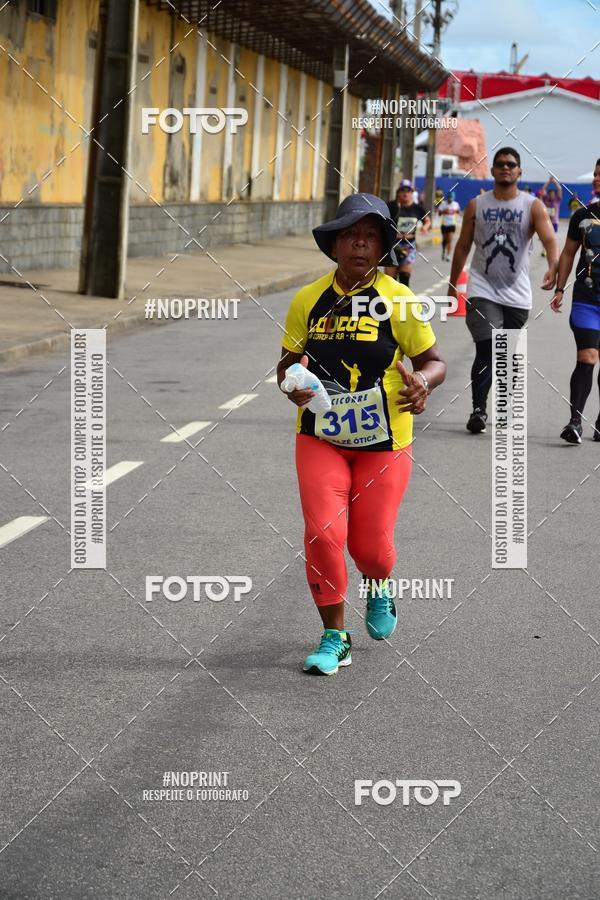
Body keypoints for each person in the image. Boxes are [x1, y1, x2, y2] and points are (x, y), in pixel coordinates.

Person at [277, 193, 446, 675]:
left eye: (371, 236)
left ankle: (378, 585)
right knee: (324, 533)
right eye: (351, 235)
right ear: (335, 245)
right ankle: (334, 636)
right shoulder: (308, 301)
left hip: (385, 442)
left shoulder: (400, 300)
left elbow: (434, 362)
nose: (359, 244)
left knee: (370, 547)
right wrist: (292, 385)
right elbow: (286, 368)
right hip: (320, 437)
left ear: (382, 247)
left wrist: (422, 384)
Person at [449, 147, 559, 433]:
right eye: (500, 164)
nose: (505, 168)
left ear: (519, 171)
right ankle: (478, 411)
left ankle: (506, 407)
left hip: (517, 292)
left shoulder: (532, 206)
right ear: (493, 170)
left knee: (508, 353)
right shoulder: (476, 205)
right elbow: (462, 246)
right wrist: (452, 285)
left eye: (511, 164)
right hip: (481, 288)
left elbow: (549, 240)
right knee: (487, 349)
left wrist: (554, 265)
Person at [551, 159, 600, 443]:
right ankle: (574, 422)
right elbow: (568, 253)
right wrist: (560, 288)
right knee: (588, 356)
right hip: (586, 301)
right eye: (595, 174)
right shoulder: (582, 217)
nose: (596, 179)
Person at [385, 179, 431, 287]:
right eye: (403, 190)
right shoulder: (391, 206)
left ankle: (403, 303)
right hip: (393, 245)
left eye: (408, 191)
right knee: (390, 281)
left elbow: (427, 220)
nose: (405, 193)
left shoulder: (417, 209)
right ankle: (389, 302)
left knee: (404, 277)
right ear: (398, 192)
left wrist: (425, 227)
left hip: (409, 246)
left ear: (412, 193)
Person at [438, 190, 461, 261]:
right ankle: (444, 250)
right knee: (444, 240)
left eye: (451, 198)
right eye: (449, 198)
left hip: (452, 224)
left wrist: (457, 212)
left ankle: (448, 255)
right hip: (444, 224)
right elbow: (439, 214)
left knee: (450, 240)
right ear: (447, 198)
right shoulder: (443, 204)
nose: (450, 200)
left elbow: (458, 212)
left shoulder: (456, 204)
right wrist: (443, 211)